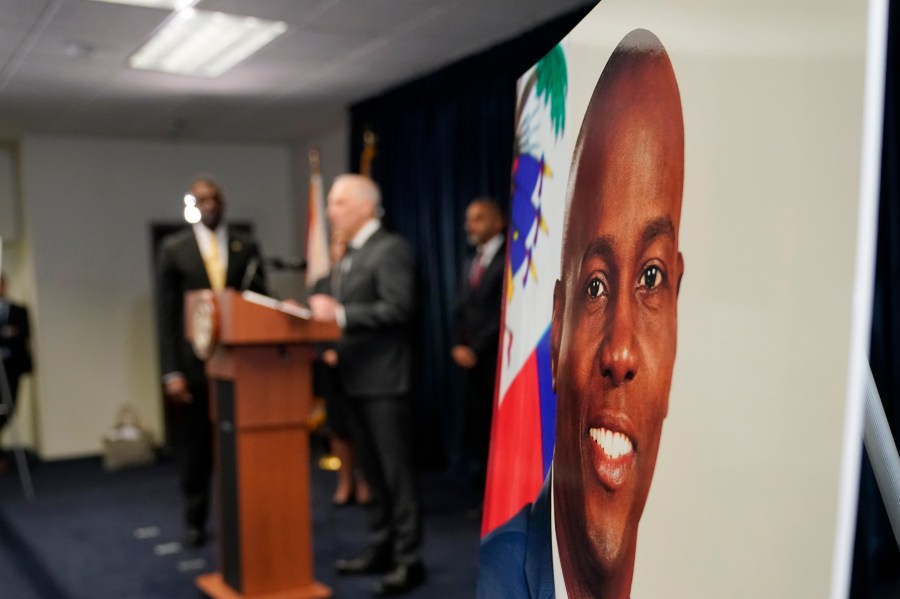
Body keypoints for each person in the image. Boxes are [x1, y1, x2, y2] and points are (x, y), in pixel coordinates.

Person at [478, 29, 685, 599]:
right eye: (595, 285)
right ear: (556, 333)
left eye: (651, 277)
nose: (619, 353)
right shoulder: (498, 582)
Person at [309, 174, 424, 595]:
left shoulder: (389, 249)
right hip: (353, 380)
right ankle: (381, 547)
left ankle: (410, 560)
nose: (329, 211)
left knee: (396, 475)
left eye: (337, 203)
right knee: (371, 474)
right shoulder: (352, 255)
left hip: (385, 383)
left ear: (363, 206)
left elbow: (399, 309)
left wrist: (340, 314)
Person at [156, 177, 266, 547]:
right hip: (195, 366)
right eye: (201, 199)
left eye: (214, 198)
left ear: (224, 202)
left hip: (240, 365)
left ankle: (246, 518)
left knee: (241, 446)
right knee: (196, 450)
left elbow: (259, 301)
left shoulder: (246, 247)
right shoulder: (174, 250)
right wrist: (171, 371)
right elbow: (166, 316)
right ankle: (195, 521)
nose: (209, 204)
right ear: (192, 204)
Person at [311, 234, 370, 507]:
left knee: (363, 428)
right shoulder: (322, 284)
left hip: (360, 363)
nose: (340, 250)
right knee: (337, 427)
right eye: (335, 245)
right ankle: (344, 481)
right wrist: (326, 351)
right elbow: (312, 323)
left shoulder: (362, 278)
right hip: (331, 369)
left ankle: (364, 481)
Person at [451, 198, 506, 483]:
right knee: (480, 429)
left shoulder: (509, 260)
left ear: (498, 223)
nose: (469, 225)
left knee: (500, 429)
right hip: (471, 361)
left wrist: (475, 348)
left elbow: (503, 312)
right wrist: (457, 344)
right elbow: (462, 309)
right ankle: (485, 490)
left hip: (495, 358)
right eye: (468, 218)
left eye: (478, 218)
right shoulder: (471, 260)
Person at [0, 272, 33, 474]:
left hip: (13, 368)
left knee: (9, 408)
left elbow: (22, 333)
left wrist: (8, 333)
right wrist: (7, 332)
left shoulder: (19, 310)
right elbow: (10, 333)